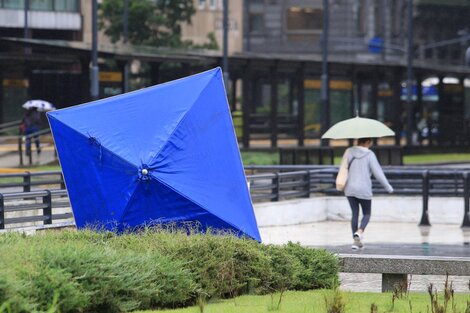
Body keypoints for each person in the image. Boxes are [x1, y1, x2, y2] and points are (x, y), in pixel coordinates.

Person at [340, 137, 393, 250]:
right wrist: (388, 187)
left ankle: (355, 242)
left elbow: (343, 168)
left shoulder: (349, 151)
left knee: (355, 213)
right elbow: (377, 172)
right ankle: (360, 232)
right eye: (370, 143)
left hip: (349, 188)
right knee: (367, 214)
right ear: (367, 142)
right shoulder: (369, 154)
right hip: (364, 188)